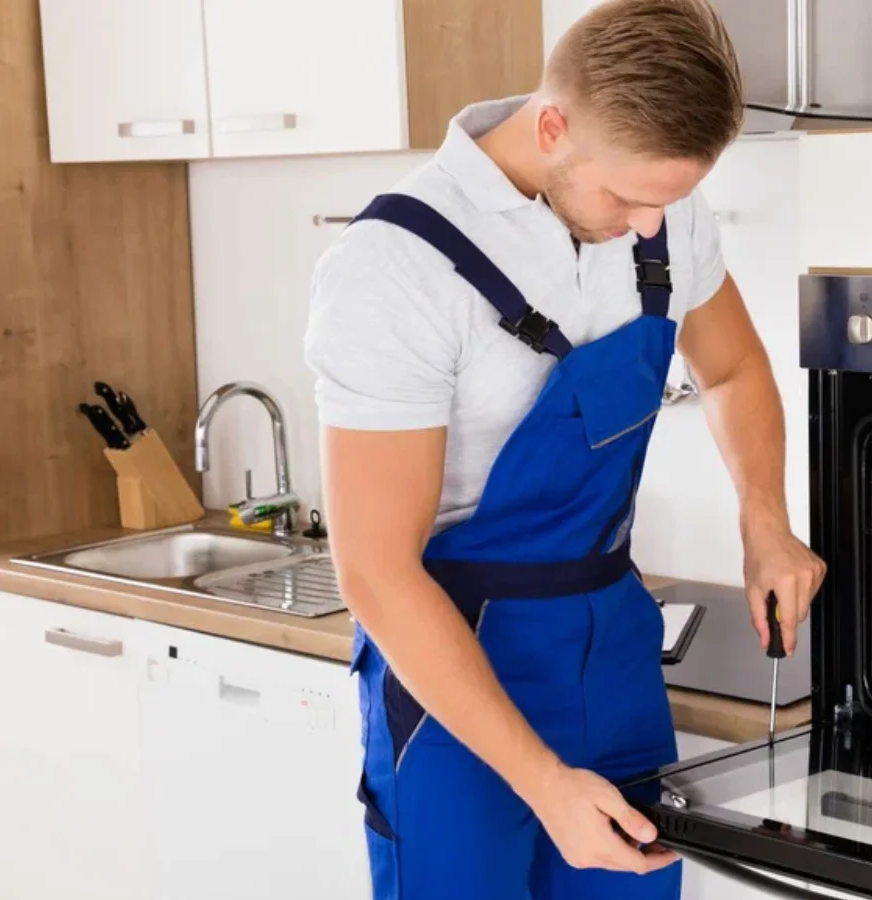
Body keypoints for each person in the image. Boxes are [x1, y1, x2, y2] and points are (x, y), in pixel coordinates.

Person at [302, 1, 826, 897]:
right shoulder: (394, 268)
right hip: (452, 687)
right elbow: (378, 574)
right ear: (552, 127)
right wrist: (542, 782)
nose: (642, 224)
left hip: (614, 653)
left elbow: (733, 368)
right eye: (624, 198)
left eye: (665, 203)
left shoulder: (665, 212)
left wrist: (765, 520)